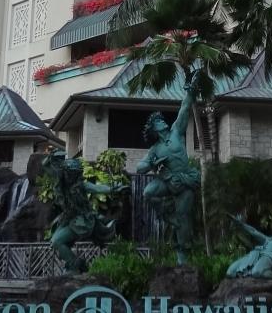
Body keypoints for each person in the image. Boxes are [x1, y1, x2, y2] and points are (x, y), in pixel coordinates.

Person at [138, 81, 200, 263]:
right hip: (167, 180)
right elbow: (140, 168)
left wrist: (190, 93)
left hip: (186, 180)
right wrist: (153, 163)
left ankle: (182, 254)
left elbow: (184, 109)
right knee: (148, 192)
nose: (162, 121)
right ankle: (166, 213)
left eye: (161, 119)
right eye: (158, 121)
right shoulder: (155, 149)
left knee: (183, 216)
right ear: (154, 129)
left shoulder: (176, 132)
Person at [42, 152, 124, 273]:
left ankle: (75, 265)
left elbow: (97, 188)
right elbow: (45, 165)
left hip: (81, 221)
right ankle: (73, 265)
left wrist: (112, 189)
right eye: (69, 173)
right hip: (68, 219)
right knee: (55, 242)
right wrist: (52, 156)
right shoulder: (61, 183)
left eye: (73, 173)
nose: (70, 176)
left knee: (57, 241)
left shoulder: (81, 186)